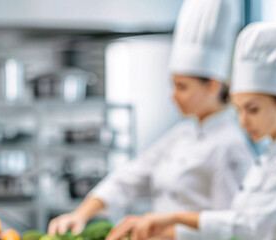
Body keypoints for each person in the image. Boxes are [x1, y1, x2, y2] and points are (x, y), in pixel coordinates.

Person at [46, 0, 253, 237]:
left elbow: (229, 230)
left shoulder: (230, 145)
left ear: (212, 86)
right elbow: (129, 177)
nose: (173, 95)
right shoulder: (183, 133)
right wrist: (81, 214)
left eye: (182, 87)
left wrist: (165, 232)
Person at [105, 22, 276, 240]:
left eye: (252, 110)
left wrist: (172, 219)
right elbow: (231, 223)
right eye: (239, 110)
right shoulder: (269, 157)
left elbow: (248, 226)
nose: (243, 121)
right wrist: (164, 230)